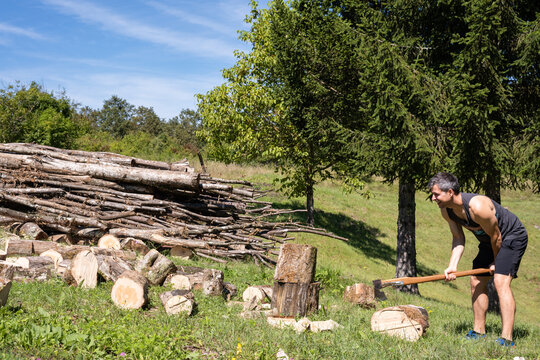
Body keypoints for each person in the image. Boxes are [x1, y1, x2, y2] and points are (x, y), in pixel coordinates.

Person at [427, 172, 528, 347]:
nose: (433, 198)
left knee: (500, 281)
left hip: (511, 236)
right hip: (489, 240)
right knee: (476, 281)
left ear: (450, 192)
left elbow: (497, 237)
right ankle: (479, 332)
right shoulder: (447, 210)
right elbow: (458, 238)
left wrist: (496, 262)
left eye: (436, 194)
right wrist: (452, 266)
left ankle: (507, 339)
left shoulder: (477, 206)